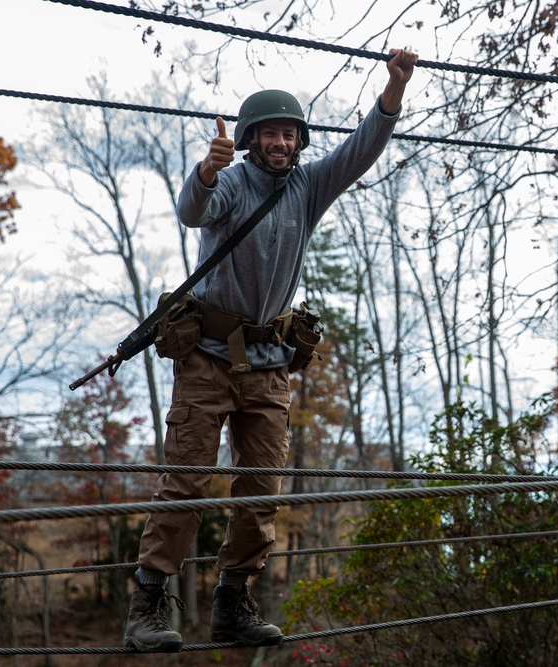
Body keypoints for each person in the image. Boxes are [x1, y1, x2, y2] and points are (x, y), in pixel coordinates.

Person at [123, 48, 419, 653]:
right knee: (185, 483)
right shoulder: (232, 181)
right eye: (269, 134)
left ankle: (234, 604)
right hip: (207, 355)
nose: (280, 143)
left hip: (269, 365)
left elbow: (360, 150)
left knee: (262, 491)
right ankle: (147, 606)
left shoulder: (309, 187)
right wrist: (206, 172)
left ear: (297, 141)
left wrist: (393, 91)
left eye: (289, 134)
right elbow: (192, 211)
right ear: (252, 140)